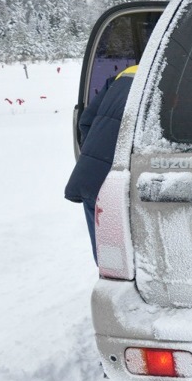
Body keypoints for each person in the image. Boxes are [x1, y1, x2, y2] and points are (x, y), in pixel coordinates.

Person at [65, 65, 137, 262]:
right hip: (126, 182)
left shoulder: (124, 74)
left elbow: (86, 121)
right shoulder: (174, 75)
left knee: (109, 260)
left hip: (90, 177)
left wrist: (95, 153)